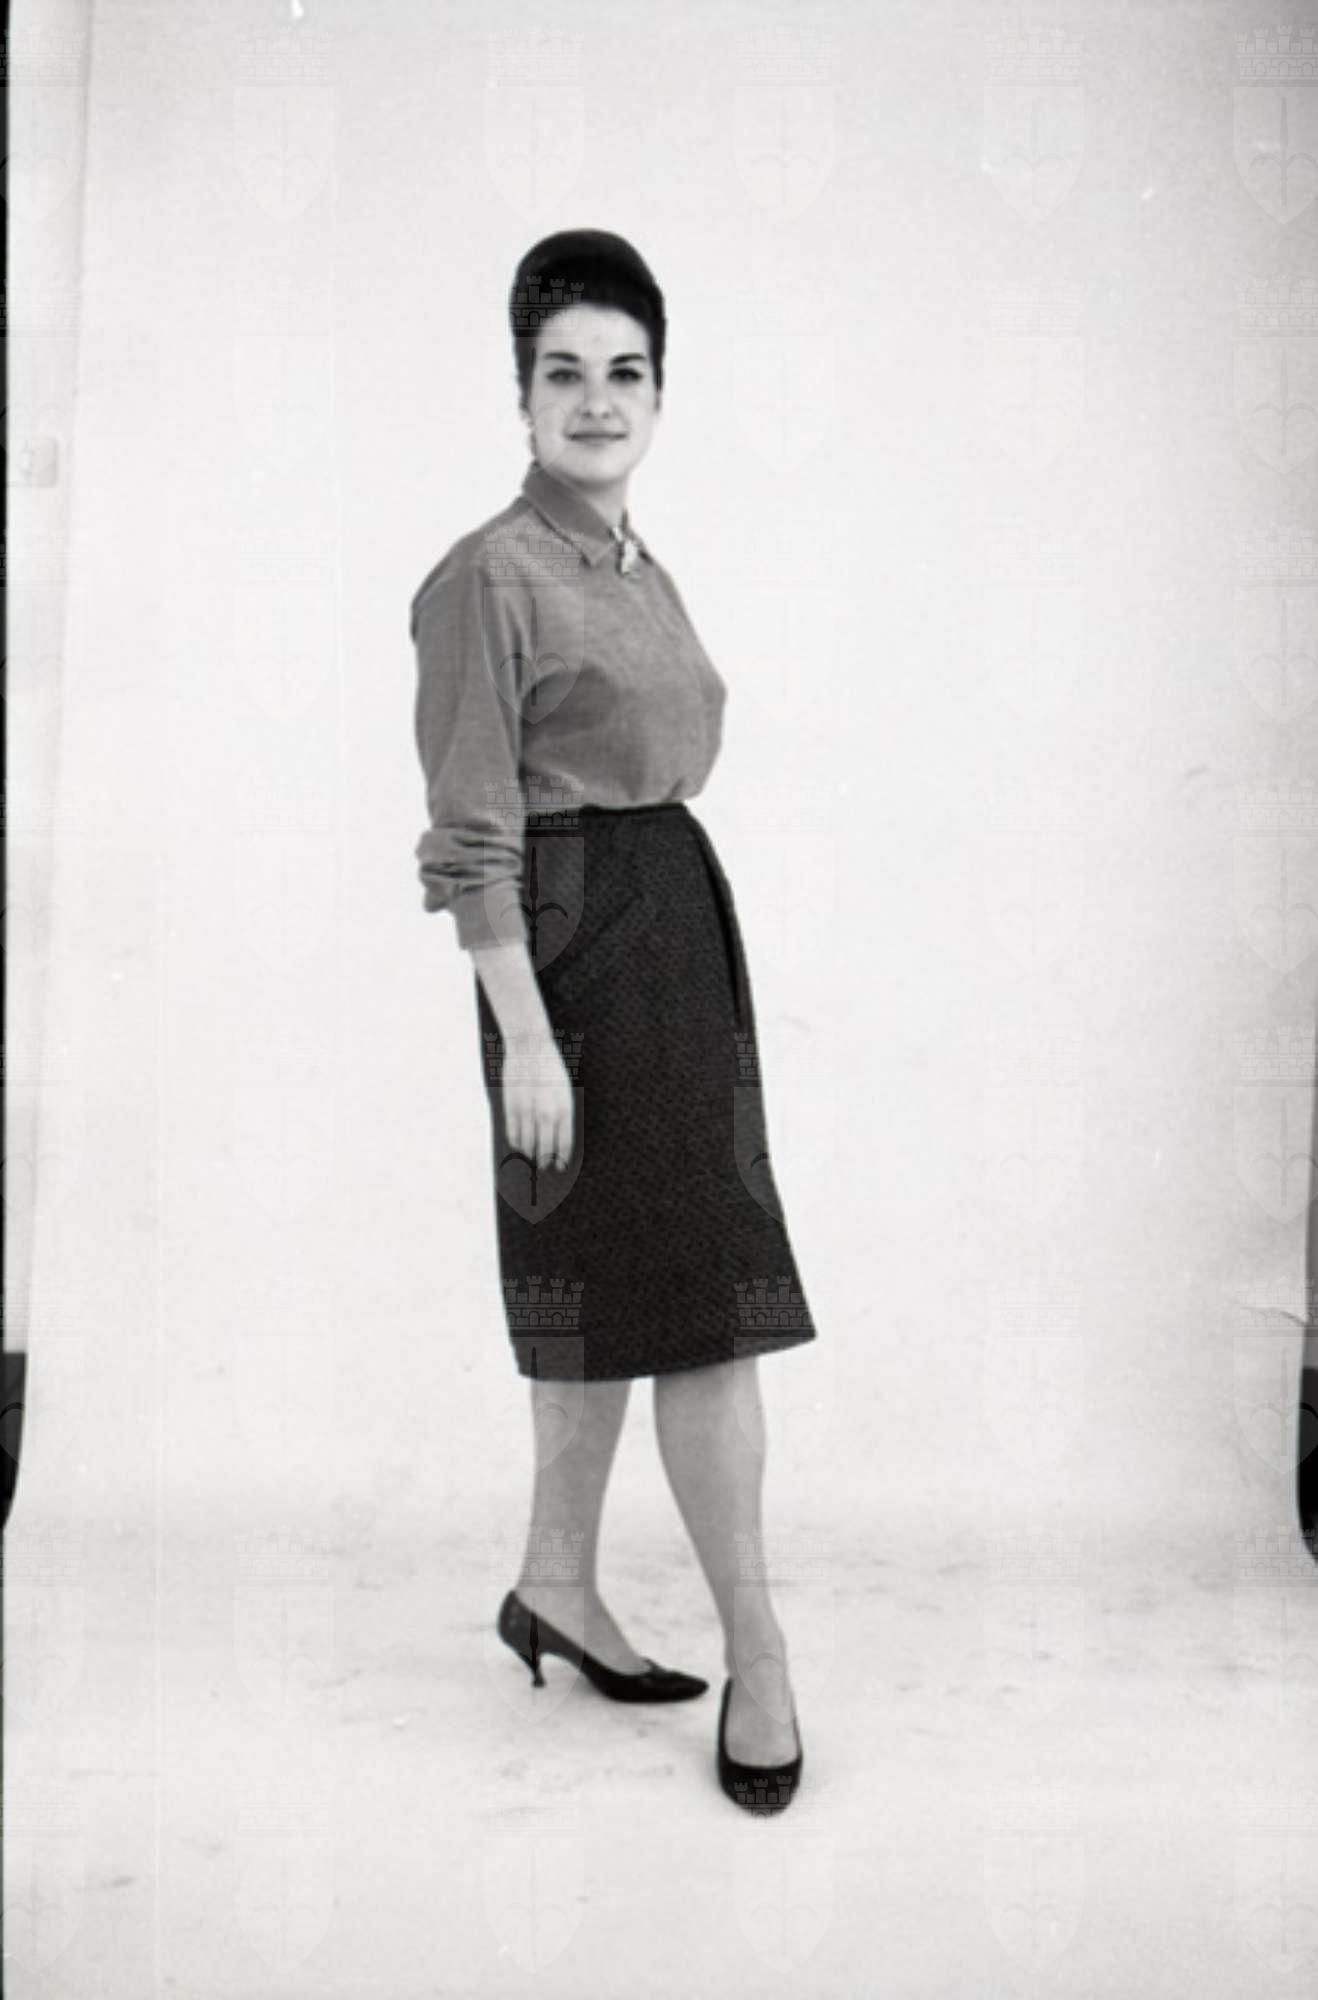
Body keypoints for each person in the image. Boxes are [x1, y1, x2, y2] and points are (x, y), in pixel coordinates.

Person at [410, 229, 816, 1814]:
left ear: (658, 392)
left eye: (624, 372)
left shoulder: (634, 562)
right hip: (570, 952)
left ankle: (555, 1584)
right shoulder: (486, 576)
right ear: (520, 396)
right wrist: (523, 1032)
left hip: (672, 921)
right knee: (706, 1311)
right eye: (564, 373)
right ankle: (762, 1657)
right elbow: (470, 832)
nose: (596, 400)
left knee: (599, 1290)